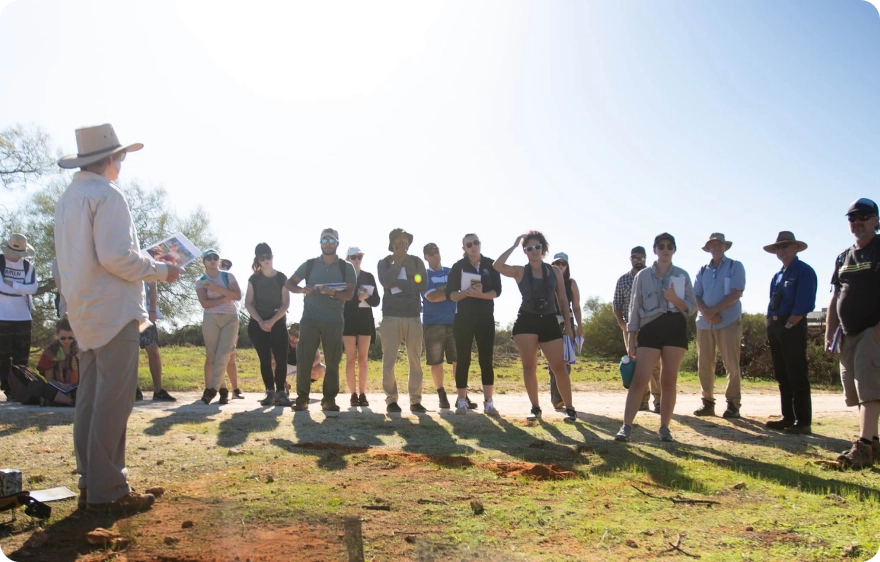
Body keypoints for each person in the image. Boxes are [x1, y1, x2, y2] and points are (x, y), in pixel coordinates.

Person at [55, 123, 183, 512]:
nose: (123, 162)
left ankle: (90, 478)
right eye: (122, 156)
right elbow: (115, 257)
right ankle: (108, 488)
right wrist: (161, 270)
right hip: (113, 310)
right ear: (109, 159)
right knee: (113, 400)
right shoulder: (108, 195)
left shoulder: (68, 197)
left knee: (91, 399)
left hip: (83, 309)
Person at [615, 233, 697, 443]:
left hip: (674, 327)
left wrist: (675, 299)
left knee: (668, 381)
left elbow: (691, 309)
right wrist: (632, 337)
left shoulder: (682, 275)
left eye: (669, 246)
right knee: (640, 379)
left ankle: (664, 428)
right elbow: (633, 308)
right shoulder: (642, 276)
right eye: (661, 246)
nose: (665, 249)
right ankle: (626, 427)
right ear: (655, 250)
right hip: (650, 328)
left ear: (674, 249)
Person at [494, 231, 577, 422]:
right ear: (525, 251)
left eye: (537, 247)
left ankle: (570, 408)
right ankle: (535, 407)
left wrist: (569, 327)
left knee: (559, 367)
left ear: (543, 248)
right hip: (527, 320)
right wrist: (514, 245)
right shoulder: (520, 271)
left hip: (549, 320)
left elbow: (563, 300)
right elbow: (497, 266)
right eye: (529, 248)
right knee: (529, 367)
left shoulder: (554, 271)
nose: (534, 251)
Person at [826, 199, 880, 468]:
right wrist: (830, 332)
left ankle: (863, 447)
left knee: (870, 388)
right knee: (858, 389)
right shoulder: (843, 256)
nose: (857, 221)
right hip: (848, 334)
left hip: (873, 330)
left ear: (876, 220)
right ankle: (874, 442)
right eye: (852, 218)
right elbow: (836, 296)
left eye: (864, 216)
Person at [287, 228, 356, 412]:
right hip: (310, 319)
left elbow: (349, 295)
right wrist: (302, 289)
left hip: (334, 320)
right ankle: (302, 399)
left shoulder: (346, 267)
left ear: (337, 243)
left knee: (333, 361)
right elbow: (289, 283)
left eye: (331, 240)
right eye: (324, 240)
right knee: (304, 359)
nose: (327, 243)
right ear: (320, 243)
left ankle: (329, 400)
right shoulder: (309, 265)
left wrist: (332, 293)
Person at [762, 231, 817, 435]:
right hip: (775, 325)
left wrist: (789, 325)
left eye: (785, 246)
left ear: (795, 247)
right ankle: (788, 417)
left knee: (796, 373)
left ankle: (803, 421)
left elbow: (804, 304)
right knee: (782, 374)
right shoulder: (778, 275)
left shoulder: (804, 271)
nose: (781, 250)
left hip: (792, 325)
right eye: (778, 247)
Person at [693, 233, 746, 418]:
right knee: (704, 365)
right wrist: (707, 313)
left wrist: (714, 310)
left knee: (731, 364)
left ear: (725, 246)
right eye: (712, 244)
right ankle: (707, 403)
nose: (716, 247)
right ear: (708, 248)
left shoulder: (735, 266)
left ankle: (733, 405)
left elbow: (736, 293)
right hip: (705, 324)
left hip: (729, 322)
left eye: (719, 244)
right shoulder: (702, 270)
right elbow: (696, 295)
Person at [447, 235, 502, 414]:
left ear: (480, 244)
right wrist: (467, 293)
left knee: (486, 359)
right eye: (469, 245)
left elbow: (497, 291)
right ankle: (461, 401)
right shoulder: (457, 267)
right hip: (463, 318)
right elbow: (451, 295)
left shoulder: (491, 265)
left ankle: (489, 402)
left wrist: (481, 295)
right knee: (463, 359)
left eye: (476, 243)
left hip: (485, 317)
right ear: (464, 248)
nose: (473, 247)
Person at [377, 228, 428, 413]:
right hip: (391, 316)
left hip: (413, 316)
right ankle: (391, 400)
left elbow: (422, 284)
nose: (403, 242)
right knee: (389, 360)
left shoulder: (416, 261)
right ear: (392, 243)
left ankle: (415, 400)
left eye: (405, 239)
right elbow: (385, 281)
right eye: (399, 240)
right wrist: (397, 264)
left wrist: (398, 283)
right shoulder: (384, 262)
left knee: (415, 360)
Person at [613, 246, 661, 412]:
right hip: (631, 329)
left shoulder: (653, 277)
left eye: (641, 258)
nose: (638, 261)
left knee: (655, 365)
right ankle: (642, 400)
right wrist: (623, 325)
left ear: (646, 258)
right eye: (635, 258)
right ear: (631, 259)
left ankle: (659, 400)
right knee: (636, 365)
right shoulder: (623, 280)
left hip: (651, 327)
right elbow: (617, 305)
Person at [245, 242, 291, 407]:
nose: (266, 260)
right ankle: (269, 392)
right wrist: (260, 321)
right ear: (258, 259)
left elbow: (285, 304)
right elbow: (248, 303)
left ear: (272, 256)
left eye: (268, 256)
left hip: (277, 323)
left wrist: (271, 321)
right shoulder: (254, 279)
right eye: (262, 257)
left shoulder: (281, 278)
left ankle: (281, 392)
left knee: (280, 358)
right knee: (264, 359)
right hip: (258, 324)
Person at [197, 249, 242, 405]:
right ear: (204, 262)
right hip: (211, 319)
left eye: (215, 257)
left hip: (230, 318)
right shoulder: (201, 281)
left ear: (219, 260)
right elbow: (205, 303)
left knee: (224, 353)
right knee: (213, 355)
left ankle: (212, 390)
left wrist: (217, 289)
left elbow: (237, 296)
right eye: (208, 258)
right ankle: (223, 390)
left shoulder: (228, 276)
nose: (212, 260)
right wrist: (225, 297)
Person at [0, 233, 38, 401]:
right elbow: (1, 287)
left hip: (23, 316)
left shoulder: (28, 267)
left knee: (22, 356)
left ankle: (21, 388)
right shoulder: (0, 262)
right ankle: (7, 388)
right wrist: (21, 288)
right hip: (2, 315)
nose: (16, 257)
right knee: (2, 354)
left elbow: (33, 288)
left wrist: (13, 284)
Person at [421, 242, 457, 410]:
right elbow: (432, 297)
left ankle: (461, 395)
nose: (435, 255)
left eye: (436, 252)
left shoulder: (451, 272)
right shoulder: (424, 276)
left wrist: (446, 292)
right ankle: (441, 394)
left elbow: (460, 292)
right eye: (430, 253)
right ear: (425, 257)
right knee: (436, 362)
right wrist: (450, 293)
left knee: (458, 360)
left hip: (455, 321)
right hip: (433, 323)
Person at [343, 246, 379, 407]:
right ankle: (353, 394)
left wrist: (366, 297)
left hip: (365, 318)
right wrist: (358, 298)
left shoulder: (368, 276)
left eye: (359, 257)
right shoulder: (343, 278)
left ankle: (363, 394)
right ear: (348, 259)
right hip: (348, 319)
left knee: (363, 360)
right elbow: (342, 301)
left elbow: (376, 301)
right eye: (353, 257)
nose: (357, 260)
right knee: (350, 359)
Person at [548, 252, 584, 409]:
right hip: (550, 322)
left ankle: (563, 398)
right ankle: (556, 399)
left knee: (566, 361)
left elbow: (576, 306)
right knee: (552, 363)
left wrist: (580, 325)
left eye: (563, 263)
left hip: (567, 323)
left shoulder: (571, 283)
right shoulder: (547, 281)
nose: (560, 265)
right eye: (557, 263)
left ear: (567, 266)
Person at [135, 281, 176, 402]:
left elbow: (152, 285)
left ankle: (158, 390)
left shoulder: (147, 262)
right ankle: (134, 389)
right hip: (127, 312)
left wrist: (152, 309)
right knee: (131, 352)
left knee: (153, 350)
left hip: (145, 313)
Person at [34, 318, 79, 407]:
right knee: (35, 385)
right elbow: (50, 379)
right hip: (58, 388)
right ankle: (71, 402)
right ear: (57, 335)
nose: (67, 341)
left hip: (77, 387)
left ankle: (58, 400)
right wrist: (61, 385)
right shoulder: (50, 352)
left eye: (70, 338)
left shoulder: (80, 350)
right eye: (63, 338)